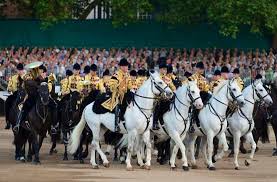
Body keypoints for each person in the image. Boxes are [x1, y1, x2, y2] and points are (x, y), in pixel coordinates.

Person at [13, 61, 44, 133]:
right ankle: (18, 124)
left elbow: (42, 84)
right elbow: (29, 83)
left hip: (37, 96)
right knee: (23, 108)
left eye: (36, 69)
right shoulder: (27, 76)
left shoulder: (39, 76)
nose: (36, 70)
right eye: (34, 69)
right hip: (28, 95)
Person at [101, 58, 130, 132]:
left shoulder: (127, 75)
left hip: (126, 94)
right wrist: (119, 86)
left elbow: (129, 85)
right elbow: (111, 85)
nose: (126, 67)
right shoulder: (116, 75)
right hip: (117, 94)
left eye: (126, 66)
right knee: (118, 104)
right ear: (121, 67)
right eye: (124, 66)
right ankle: (116, 124)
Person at [152, 63, 176, 130]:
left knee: (169, 106)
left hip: (166, 97)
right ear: (160, 69)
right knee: (158, 107)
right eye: (163, 69)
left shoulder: (167, 78)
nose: (165, 71)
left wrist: (175, 91)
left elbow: (172, 86)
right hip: (157, 96)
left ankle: (163, 118)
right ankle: (155, 122)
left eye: (165, 69)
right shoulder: (157, 77)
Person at [5, 63, 25, 129]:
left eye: (21, 70)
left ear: (23, 70)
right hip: (15, 94)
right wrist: (9, 89)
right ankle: (8, 121)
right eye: (18, 70)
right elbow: (9, 87)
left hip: (24, 95)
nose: (20, 71)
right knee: (7, 102)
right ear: (17, 70)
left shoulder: (26, 77)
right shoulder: (13, 77)